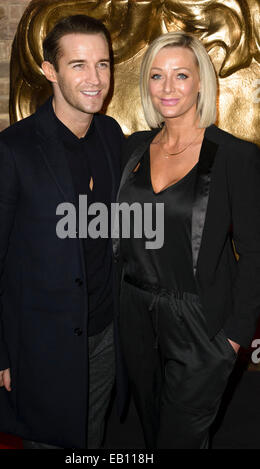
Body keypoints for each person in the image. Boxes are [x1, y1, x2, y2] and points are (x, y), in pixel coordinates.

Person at [0, 15, 126, 449]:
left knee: (92, 437)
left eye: (103, 64)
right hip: (41, 344)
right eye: (78, 65)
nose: (95, 79)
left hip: (104, 334)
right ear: (50, 71)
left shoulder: (110, 134)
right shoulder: (8, 154)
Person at [113, 31, 260, 449]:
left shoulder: (234, 156)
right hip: (135, 315)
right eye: (157, 76)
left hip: (200, 323)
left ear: (200, 82)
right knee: (151, 431)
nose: (168, 88)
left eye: (181, 75)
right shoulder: (133, 150)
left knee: (182, 437)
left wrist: (233, 337)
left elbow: (254, 253)